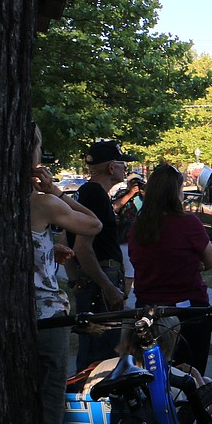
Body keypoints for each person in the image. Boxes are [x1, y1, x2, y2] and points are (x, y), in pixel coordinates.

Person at [30, 125, 102, 424]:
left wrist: (45, 251)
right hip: (46, 318)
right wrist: (58, 193)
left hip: (7, 316)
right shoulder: (40, 201)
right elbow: (93, 224)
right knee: (50, 403)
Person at [127, 164, 212, 373]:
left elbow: (138, 259)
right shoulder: (188, 223)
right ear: (175, 192)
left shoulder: (137, 227)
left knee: (154, 372)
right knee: (191, 373)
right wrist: (195, 262)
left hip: (148, 308)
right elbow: (211, 260)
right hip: (188, 310)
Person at [69, 139, 136, 371]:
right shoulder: (95, 194)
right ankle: (93, 404)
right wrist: (107, 286)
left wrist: (74, 277)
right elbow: (81, 248)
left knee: (97, 351)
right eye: (121, 163)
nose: (125, 168)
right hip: (100, 283)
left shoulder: (87, 192)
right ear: (110, 168)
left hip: (92, 280)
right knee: (99, 357)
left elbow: (66, 242)